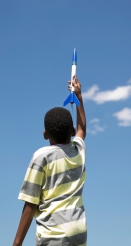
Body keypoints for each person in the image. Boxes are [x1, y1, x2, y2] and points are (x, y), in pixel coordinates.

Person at [13, 75, 87, 246]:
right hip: (78, 233)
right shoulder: (78, 151)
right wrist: (79, 98)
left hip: (53, 235)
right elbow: (82, 130)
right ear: (72, 131)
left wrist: (16, 243)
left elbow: (31, 202)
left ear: (44, 134)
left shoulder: (42, 157)